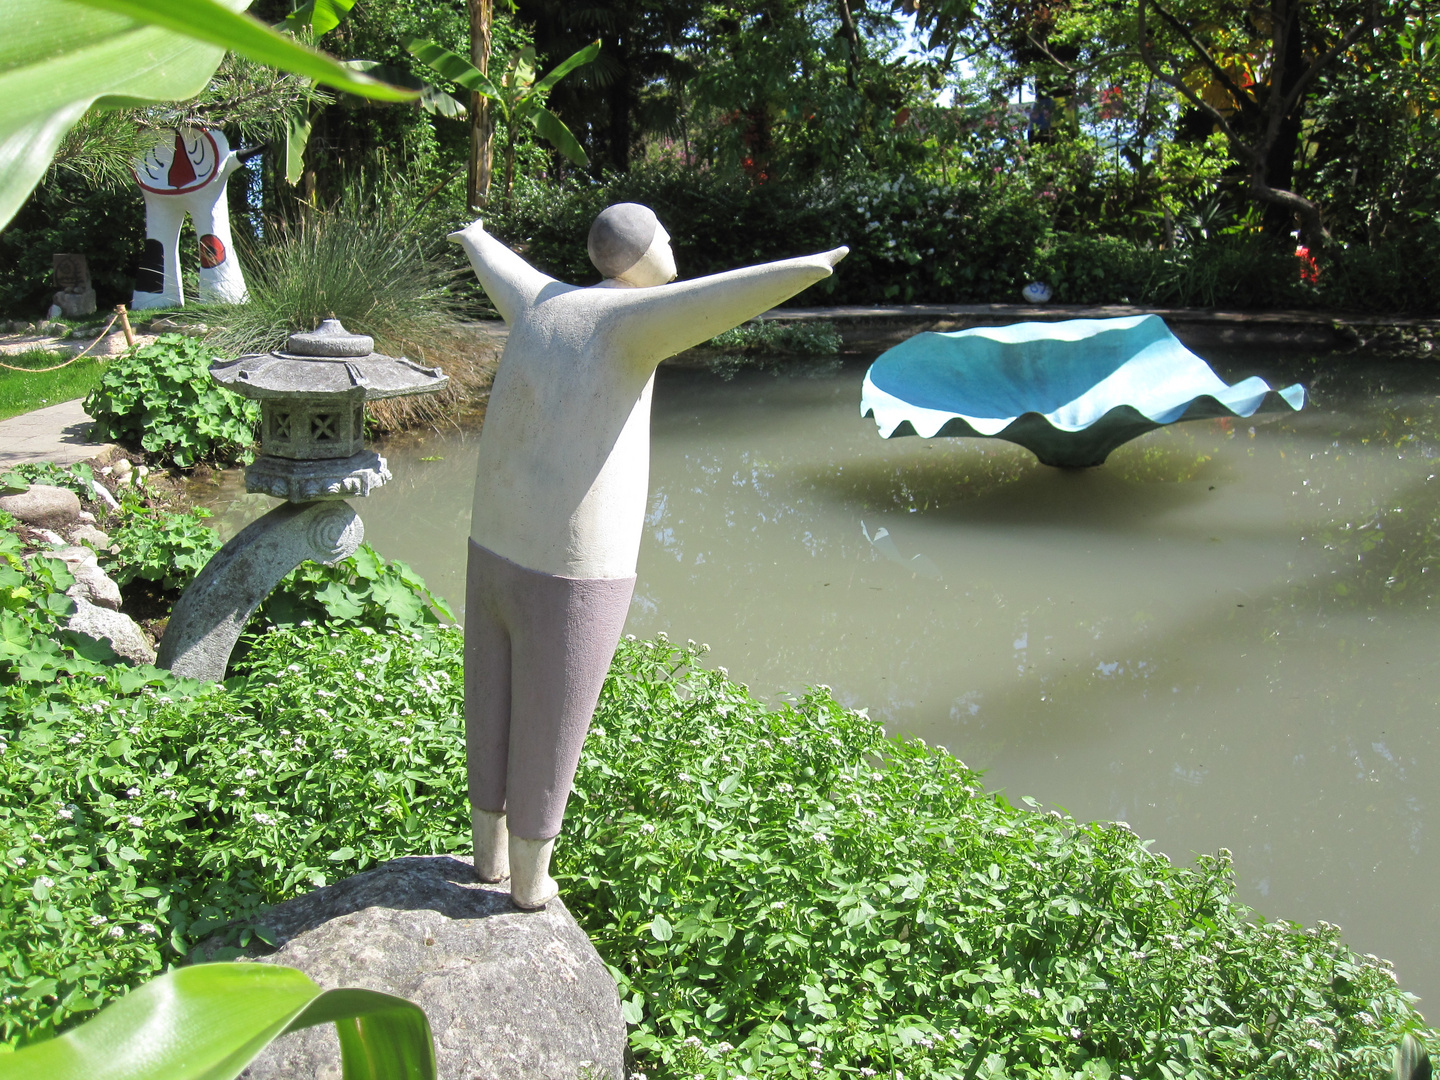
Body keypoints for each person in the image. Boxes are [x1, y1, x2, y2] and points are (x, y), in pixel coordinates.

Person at [451, 204, 847, 907]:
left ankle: (487, 859)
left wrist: (475, 235)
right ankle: (530, 884)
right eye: (666, 237)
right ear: (640, 254)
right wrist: (811, 267)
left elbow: (496, 263)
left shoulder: (543, 302)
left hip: (492, 544)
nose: (674, 246)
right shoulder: (628, 323)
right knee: (553, 721)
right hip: (572, 568)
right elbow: (722, 298)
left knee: (489, 700)